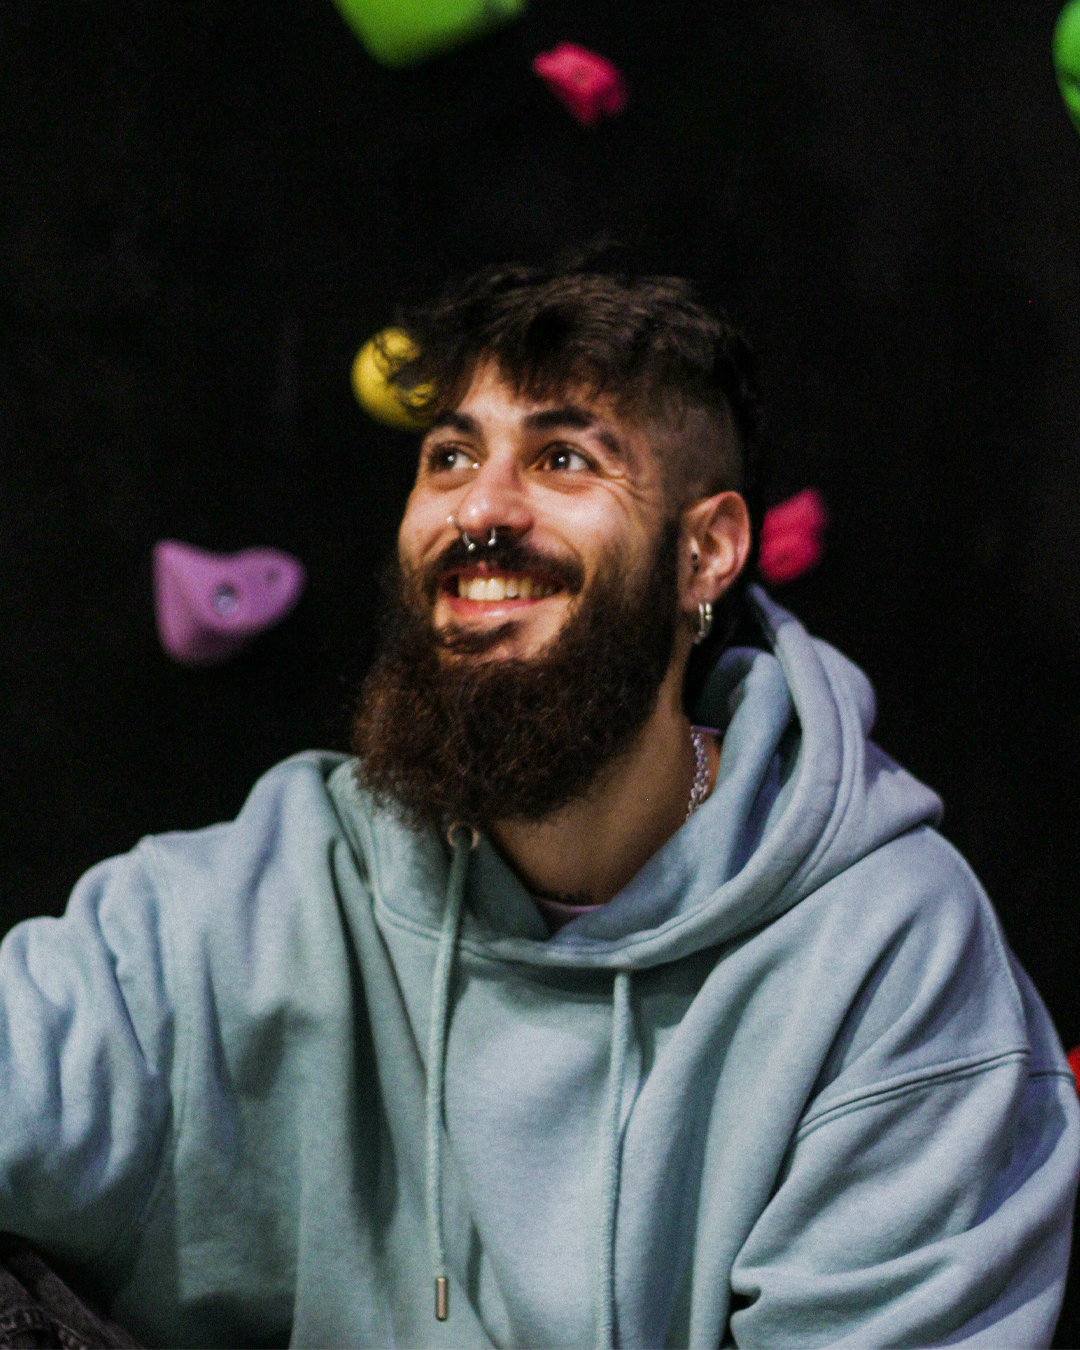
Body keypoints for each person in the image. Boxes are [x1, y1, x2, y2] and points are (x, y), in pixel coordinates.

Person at [0, 264, 1076, 1350]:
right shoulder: (282, 884)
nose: (479, 508)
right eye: (451, 457)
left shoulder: (887, 952)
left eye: (564, 459)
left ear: (705, 553)